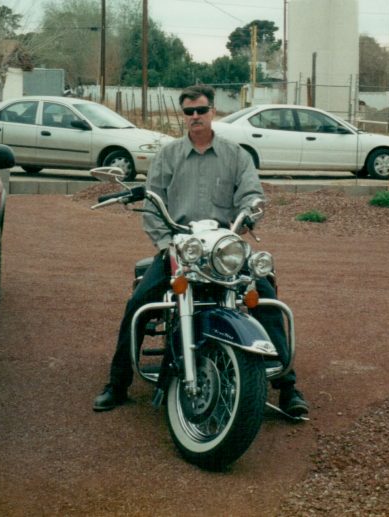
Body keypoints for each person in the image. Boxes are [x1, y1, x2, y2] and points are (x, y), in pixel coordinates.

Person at [93, 83, 309, 418]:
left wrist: (250, 212)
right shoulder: (168, 156)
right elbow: (153, 204)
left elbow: (252, 195)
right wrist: (166, 245)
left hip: (224, 247)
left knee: (265, 298)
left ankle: (288, 387)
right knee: (139, 304)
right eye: (189, 111)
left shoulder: (236, 155)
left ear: (213, 112)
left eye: (201, 110)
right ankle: (117, 383)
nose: (196, 116)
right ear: (184, 115)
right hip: (182, 246)